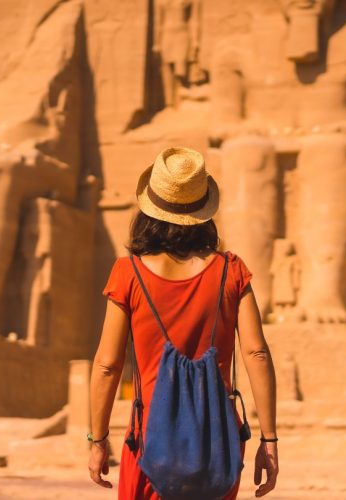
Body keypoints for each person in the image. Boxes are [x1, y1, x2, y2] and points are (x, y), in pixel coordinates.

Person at [87, 147, 280, 498]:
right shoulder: (231, 270)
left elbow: (106, 365)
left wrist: (97, 439)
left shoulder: (127, 273)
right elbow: (257, 354)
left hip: (149, 442)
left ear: (149, 209)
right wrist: (269, 440)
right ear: (204, 212)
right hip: (217, 443)